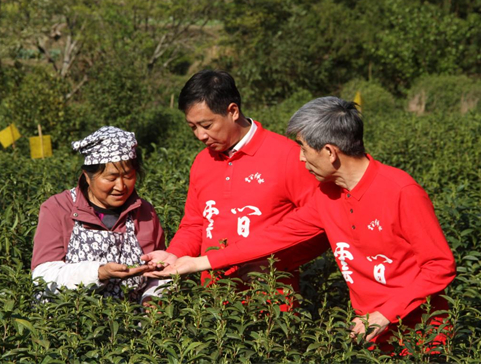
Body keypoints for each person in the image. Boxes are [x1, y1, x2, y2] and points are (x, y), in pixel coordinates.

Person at [146, 97, 457, 350]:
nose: (299, 159)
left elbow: (439, 266)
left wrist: (386, 314)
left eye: (304, 149)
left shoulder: (401, 191)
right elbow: (273, 238)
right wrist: (198, 262)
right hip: (370, 333)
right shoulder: (328, 196)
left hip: (423, 338)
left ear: (330, 152)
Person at [143, 70, 330, 307]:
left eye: (207, 125)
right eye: (192, 127)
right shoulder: (203, 162)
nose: (200, 135)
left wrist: (276, 264)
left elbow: (323, 225)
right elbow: (195, 224)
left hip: (271, 305)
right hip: (213, 308)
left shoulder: (288, 156)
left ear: (233, 111)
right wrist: (175, 254)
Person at [31, 126, 168, 303]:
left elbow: (160, 271)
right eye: (111, 178)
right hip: (69, 325)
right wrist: (98, 273)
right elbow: (43, 277)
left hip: (131, 324)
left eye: (128, 176)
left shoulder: (144, 212)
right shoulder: (58, 208)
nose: (121, 186)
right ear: (88, 177)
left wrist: (152, 299)